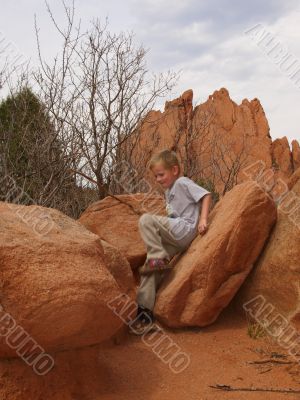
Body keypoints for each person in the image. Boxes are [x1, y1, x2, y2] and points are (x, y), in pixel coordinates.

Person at [130, 149, 212, 334]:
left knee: (146, 220)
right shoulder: (169, 191)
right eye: (155, 176)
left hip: (186, 228)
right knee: (149, 270)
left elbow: (206, 195)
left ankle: (157, 255)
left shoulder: (182, 182)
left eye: (161, 174)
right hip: (178, 239)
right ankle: (145, 316)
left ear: (174, 170)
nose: (158, 179)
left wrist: (203, 219)